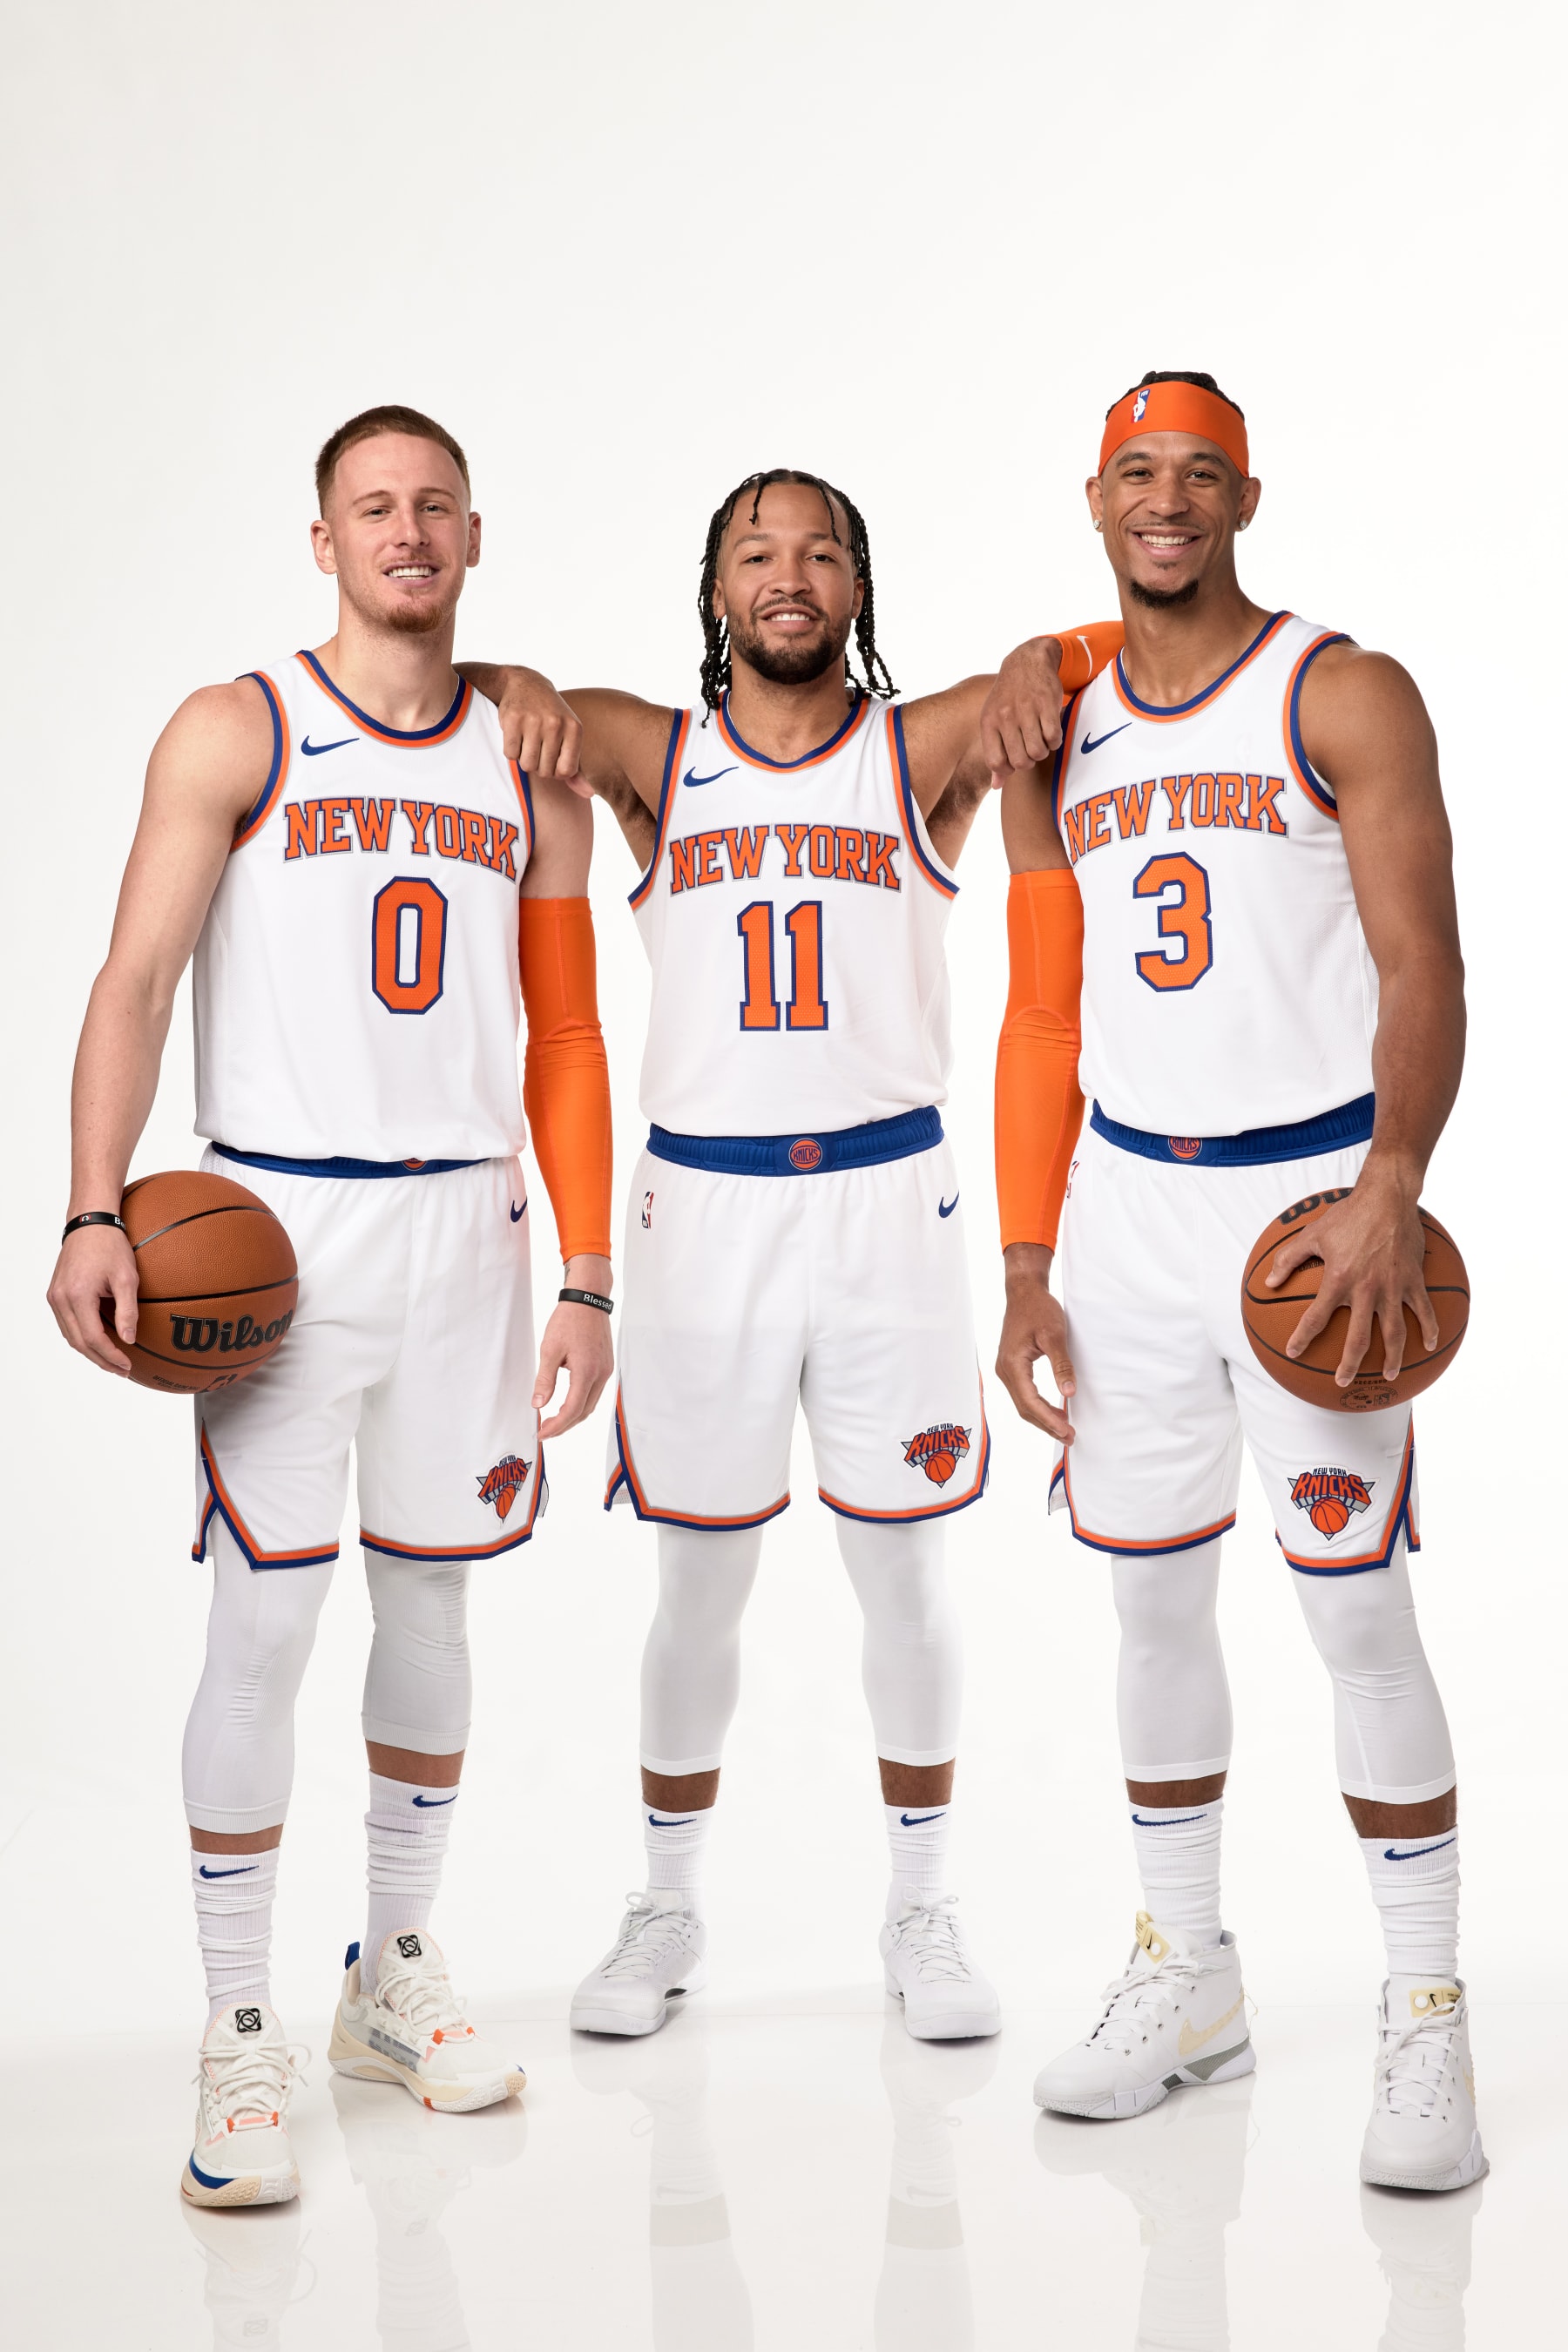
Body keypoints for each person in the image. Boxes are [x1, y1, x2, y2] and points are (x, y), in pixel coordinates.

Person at [46, 405, 616, 2207]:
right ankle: (238, 2029)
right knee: (269, 1633)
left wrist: (588, 1268)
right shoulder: (239, 725)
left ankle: (392, 1975)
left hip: (467, 1232)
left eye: (437, 505)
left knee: (433, 1619)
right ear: (323, 543)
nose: (408, 531)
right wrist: (89, 1205)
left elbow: (573, 1030)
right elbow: (135, 974)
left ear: (474, 534)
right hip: (278, 1238)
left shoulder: (528, 758)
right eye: (375, 507)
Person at [465, 470, 1115, 2040]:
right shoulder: (650, 751)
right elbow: (487, 690)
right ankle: (669, 1898)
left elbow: (1074, 667)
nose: (791, 573)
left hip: (889, 1206)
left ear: (858, 593)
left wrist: (1046, 641)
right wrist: (523, 682)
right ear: (715, 594)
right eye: (758, 552)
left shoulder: (915, 750)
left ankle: (924, 1906)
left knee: (908, 1575)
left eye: (823, 551)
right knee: (699, 1585)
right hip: (701, 1218)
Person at [990, 372, 1480, 2189]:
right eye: (1137, 475)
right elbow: (1045, 1009)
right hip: (1124, 1210)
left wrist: (1393, 1183)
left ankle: (1427, 2017)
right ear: (1097, 499)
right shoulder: (1054, 724)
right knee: (1150, 1609)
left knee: (1354, 1613)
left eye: (1199, 474)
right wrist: (1029, 1260)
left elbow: (1424, 963)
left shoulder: (1341, 689)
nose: (1167, 500)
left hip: (1308, 1216)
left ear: (1247, 496)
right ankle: (1188, 1971)